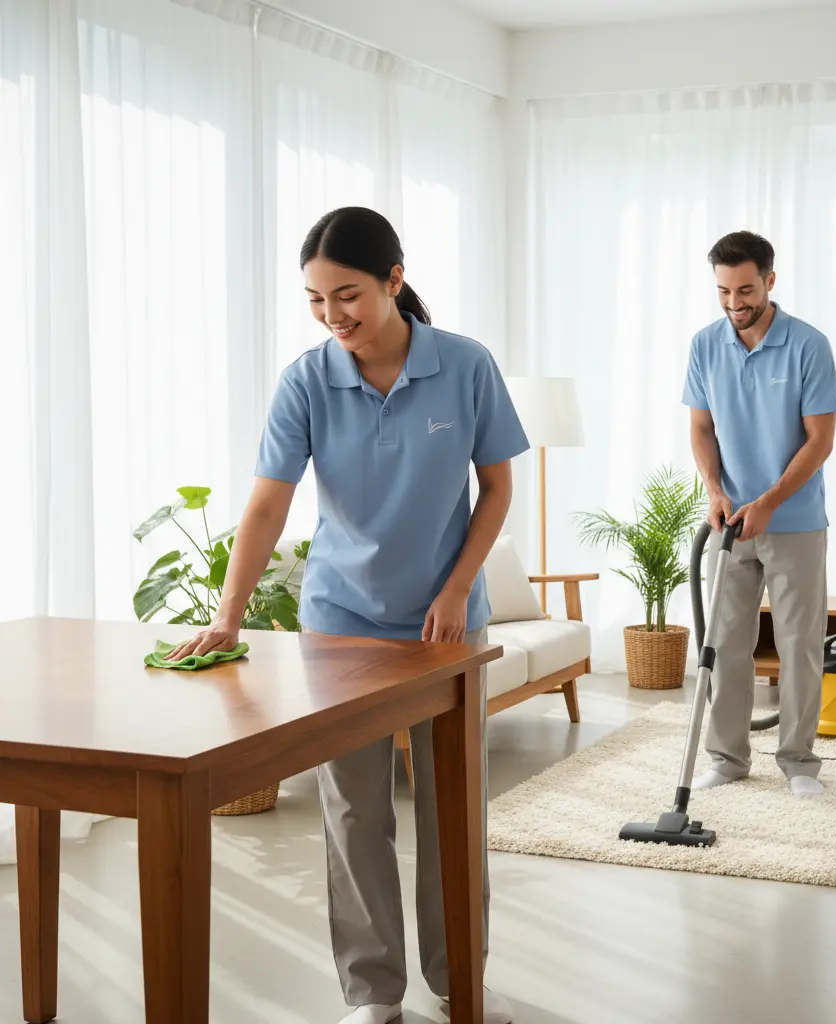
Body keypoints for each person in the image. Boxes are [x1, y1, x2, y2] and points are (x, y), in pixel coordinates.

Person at [168, 207, 527, 1024]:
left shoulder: (465, 367)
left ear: (394, 280)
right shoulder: (306, 379)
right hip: (339, 624)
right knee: (355, 808)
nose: (334, 316)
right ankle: (373, 993)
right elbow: (267, 506)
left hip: (444, 625)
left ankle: (457, 980)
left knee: (451, 806)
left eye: (349, 295)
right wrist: (229, 616)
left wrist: (454, 587)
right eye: (315, 300)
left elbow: (499, 487)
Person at [682, 231, 836, 798]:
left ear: (770, 281)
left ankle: (798, 761)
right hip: (729, 522)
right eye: (723, 291)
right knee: (725, 642)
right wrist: (714, 490)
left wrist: (769, 502)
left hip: (793, 520)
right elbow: (701, 427)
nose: (734, 303)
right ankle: (727, 758)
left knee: (798, 642)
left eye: (745, 289)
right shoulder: (705, 345)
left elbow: (819, 440)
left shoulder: (808, 345)